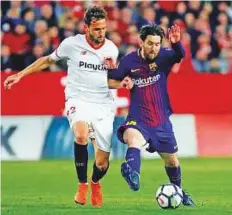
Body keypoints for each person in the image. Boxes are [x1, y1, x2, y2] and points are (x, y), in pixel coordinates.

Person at [4, 6, 129, 208]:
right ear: (86, 27)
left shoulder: (111, 50)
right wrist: (20, 75)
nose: (101, 33)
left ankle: (95, 182)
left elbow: (109, 81)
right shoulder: (71, 44)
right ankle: (82, 185)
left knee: (102, 163)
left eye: (104, 29)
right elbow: (47, 60)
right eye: (97, 29)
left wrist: (121, 83)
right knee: (80, 135)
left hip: (102, 103)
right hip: (77, 98)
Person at [106, 24, 195, 206]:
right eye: (150, 43)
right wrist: (118, 78)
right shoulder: (129, 61)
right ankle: (132, 173)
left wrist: (177, 43)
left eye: (157, 44)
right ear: (141, 42)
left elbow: (180, 55)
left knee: (172, 162)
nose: (154, 47)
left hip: (161, 120)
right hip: (138, 118)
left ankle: (178, 192)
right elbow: (112, 79)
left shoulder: (163, 56)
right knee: (134, 140)